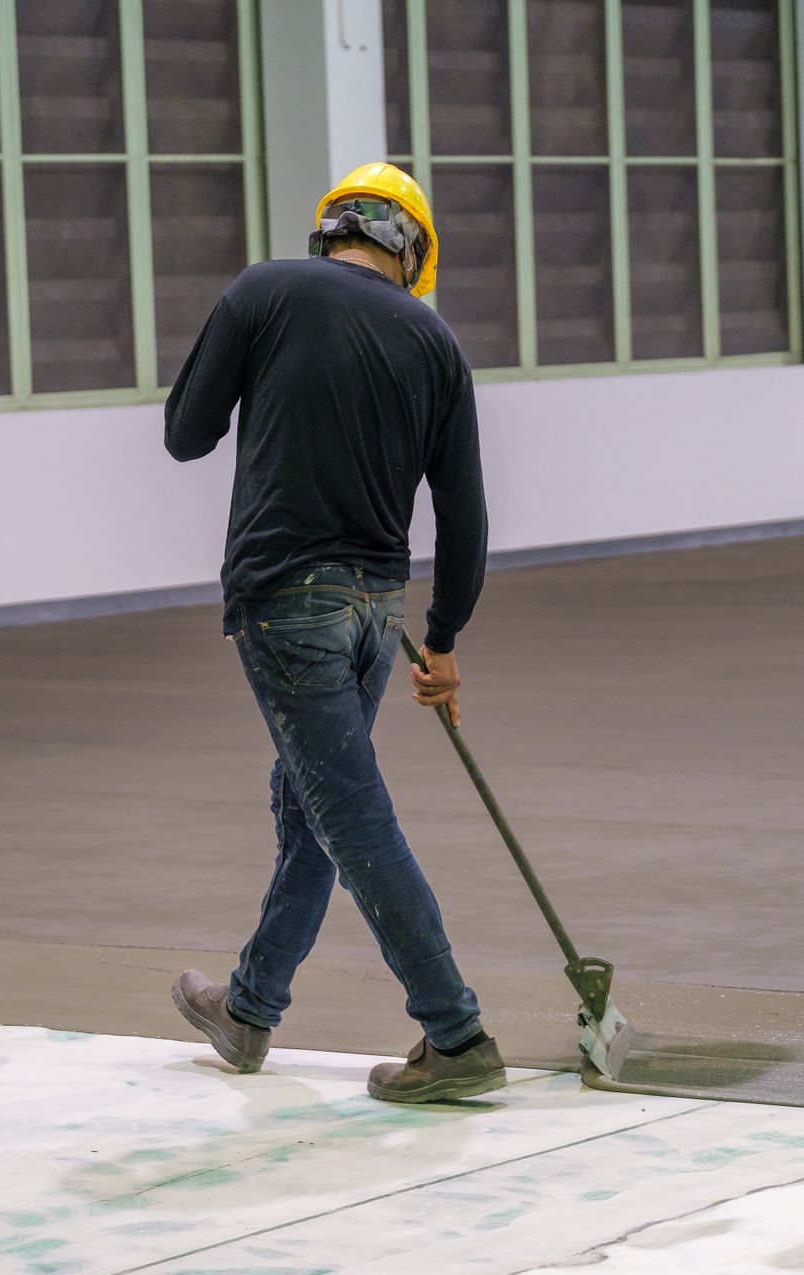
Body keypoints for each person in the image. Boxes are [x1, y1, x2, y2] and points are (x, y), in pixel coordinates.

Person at [162, 162, 500, 1104]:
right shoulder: (434, 342)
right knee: (315, 799)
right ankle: (249, 1007)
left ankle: (456, 1032)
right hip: (378, 614)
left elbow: (186, 434)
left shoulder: (266, 289)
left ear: (330, 231)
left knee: (347, 811)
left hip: (288, 600)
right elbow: (466, 516)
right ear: (413, 254)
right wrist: (445, 639)